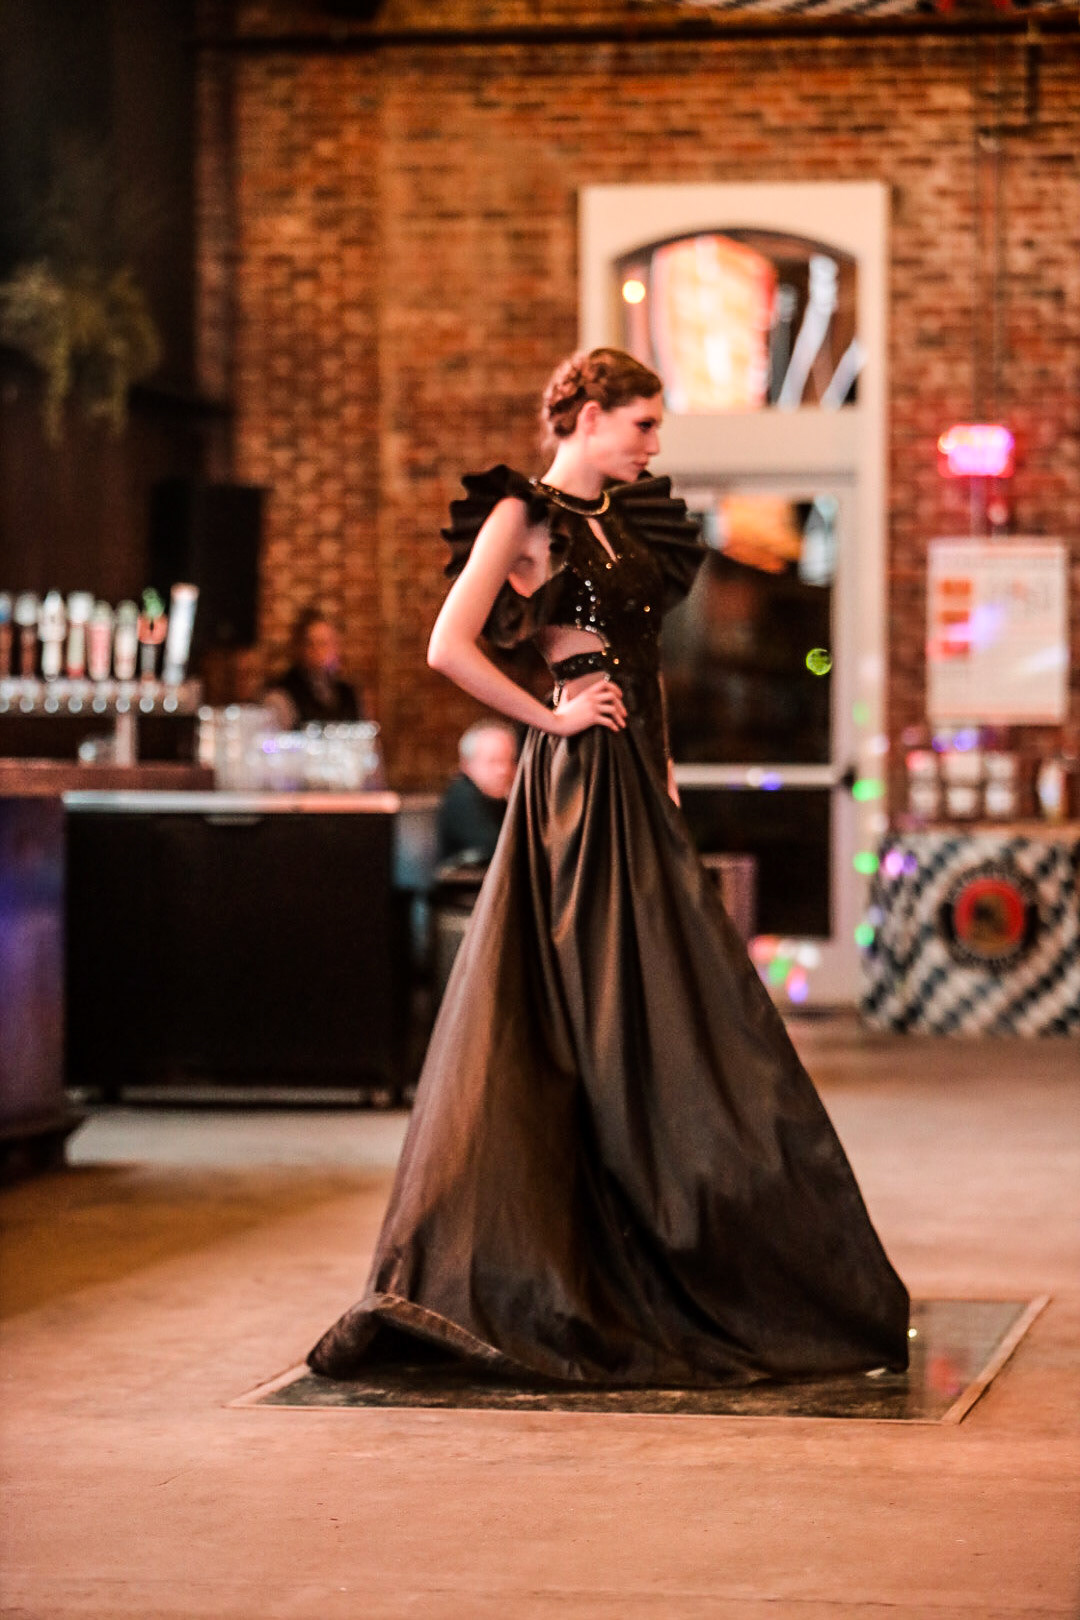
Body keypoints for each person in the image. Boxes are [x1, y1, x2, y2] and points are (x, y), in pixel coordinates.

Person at [308, 346, 909, 1386]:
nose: (654, 443)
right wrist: (550, 716)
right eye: (642, 424)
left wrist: (664, 769)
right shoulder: (522, 514)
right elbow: (448, 645)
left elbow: (647, 660)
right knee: (594, 999)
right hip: (578, 783)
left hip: (632, 777)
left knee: (682, 995)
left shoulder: (628, 522)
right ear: (586, 416)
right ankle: (581, 1251)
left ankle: (692, 1244)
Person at [264, 609, 366, 730]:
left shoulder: (348, 694)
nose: (318, 651)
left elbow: (364, 737)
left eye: (324, 643)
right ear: (299, 648)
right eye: (311, 644)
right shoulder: (282, 695)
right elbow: (274, 739)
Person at [436, 719, 519, 866]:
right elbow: (497, 849)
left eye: (510, 761)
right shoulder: (462, 796)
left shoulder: (501, 798)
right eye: (494, 761)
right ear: (467, 764)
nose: (504, 770)